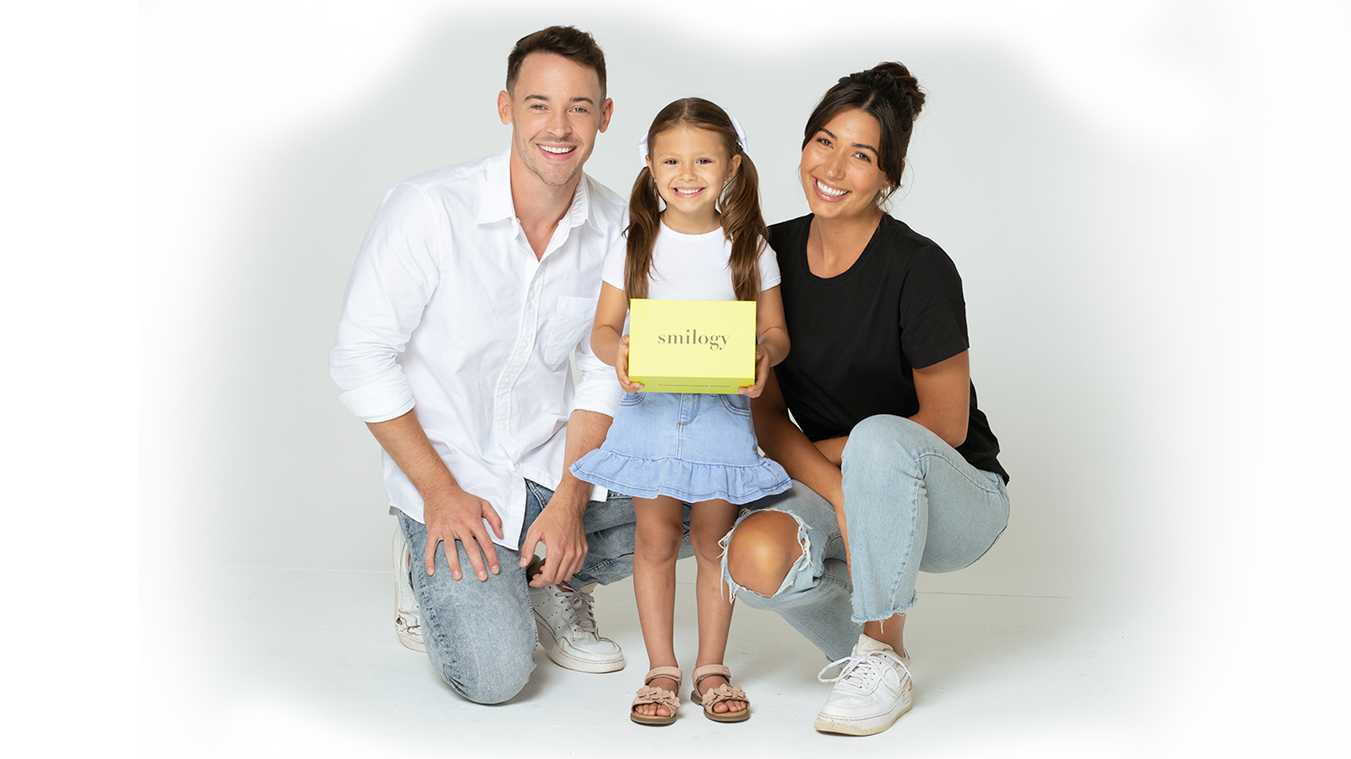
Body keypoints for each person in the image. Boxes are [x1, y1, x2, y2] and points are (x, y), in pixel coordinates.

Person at [329, 26, 677, 705]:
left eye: (579, 106)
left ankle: (556, 579)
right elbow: (360, 358)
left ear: (605, 117)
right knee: (494, 675)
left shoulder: (620, 228)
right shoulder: (428, 209)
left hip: (551, 467)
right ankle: (431, 561)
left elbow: (606, 373)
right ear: (505, 107)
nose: (559, 126)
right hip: (450, 476)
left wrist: (573, 501)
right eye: (538, 104)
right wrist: (438, 492)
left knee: (704, 492)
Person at [719, 63, 1012, 736]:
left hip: (956, 497)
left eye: (861, 155)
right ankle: (872, 653)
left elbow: (944, 421)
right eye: (823, 142)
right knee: (754, 558)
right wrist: (837, 485)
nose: (834, 166)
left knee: (880, 437)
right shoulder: (767, 255)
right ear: (802, 146)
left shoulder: (919, 268)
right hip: (840, 477)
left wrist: (843, 463)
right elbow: (762, 413)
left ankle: (880, 647)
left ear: (886, 176)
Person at [569, 98, 791, 725]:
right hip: (649, 411)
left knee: (714, 541)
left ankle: (712, 666)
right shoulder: (635, 243)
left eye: (703, 160)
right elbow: (604, 330)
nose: (686, 173)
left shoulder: (748, 246)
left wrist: (760, 358)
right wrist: (622, 354)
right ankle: (662, 667)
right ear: (649, 165)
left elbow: (776, 332)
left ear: (732, 168)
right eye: (671, 159)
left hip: (722, 413)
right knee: (655, 537)